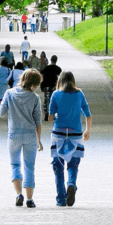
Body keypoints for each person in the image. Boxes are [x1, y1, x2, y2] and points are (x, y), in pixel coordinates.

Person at [0, 69, 43, 208]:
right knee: (29, 166)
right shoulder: (35, 98)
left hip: (14, 134)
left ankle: (19, 194)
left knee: (15, 164)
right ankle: (30, 199)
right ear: (34, 83)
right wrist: (39, 140)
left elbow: (1, 113)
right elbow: (38, 121)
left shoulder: (9, 93)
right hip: (30, 135)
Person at [48, 71, 92, 207]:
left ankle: (61, 198)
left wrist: (57, 116)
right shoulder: (79, 94)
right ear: (73, 81)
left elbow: (50, 118)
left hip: (58, 134)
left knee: (58, 166)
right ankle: (71, 184)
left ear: (60, 81)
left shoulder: (55, 94)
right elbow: (88, 115)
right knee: (73, 165)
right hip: (76, 135)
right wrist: (87, 130)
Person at [41, 55, 62, 121]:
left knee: (47, 100)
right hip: (54, 86)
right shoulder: (58, 69)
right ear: (56, 60)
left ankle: (46, 114)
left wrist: (42, 85)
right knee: (54, 100)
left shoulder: (46, 68)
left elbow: (42, 76)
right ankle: (53, 114)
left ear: (50, 60)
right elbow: (59, 78)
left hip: (47, 86)